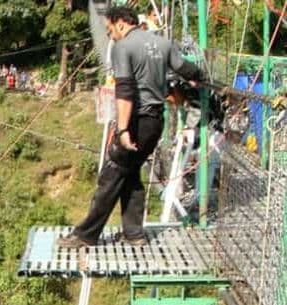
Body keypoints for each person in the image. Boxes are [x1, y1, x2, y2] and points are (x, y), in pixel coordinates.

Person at [58, 6, 204, 248]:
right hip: (156, 122)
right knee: (130, 172)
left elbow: (124, 91)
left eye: (109, 30)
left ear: (121, 24)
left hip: (136, 121)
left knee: (112, 173)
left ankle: (86, 235)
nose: (109, 35)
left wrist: (124, 130)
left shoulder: (123, 47)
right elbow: (186, 69)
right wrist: (202, 77)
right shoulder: (164, 43)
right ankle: (134, 234)